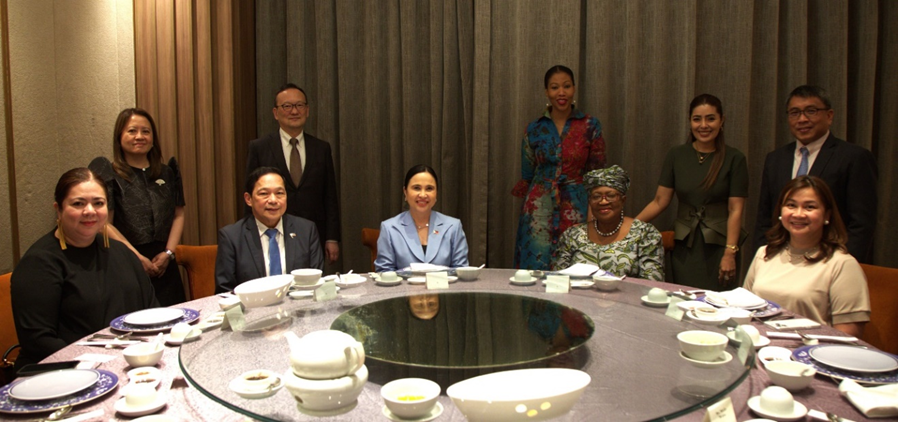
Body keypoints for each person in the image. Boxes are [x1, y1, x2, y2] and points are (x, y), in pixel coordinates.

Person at [11, 168, 158, 370]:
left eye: (98, 203)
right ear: (58, 209)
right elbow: (38, 341)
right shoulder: (38, 263)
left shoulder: (122, 252)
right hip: (64, 370)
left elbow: (151, 310)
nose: (90, 211)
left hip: (129, 362)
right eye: (78, 204)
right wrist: (98, 363)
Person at [636, 94, 748, 289]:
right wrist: (629, 229)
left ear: (722, 120)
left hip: (719, 247)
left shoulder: (735, 158)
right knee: (681, 298)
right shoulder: (676, 155)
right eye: (697, 119)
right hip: (684, 246)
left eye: (710, 119)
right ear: (689, 121)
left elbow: (735, 210)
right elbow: (660, 201)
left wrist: (730, 252)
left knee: (716, 302)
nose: (703, 125)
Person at [754, 85, 877, 264]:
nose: (802, 119)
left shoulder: (854, 157)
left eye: (811, 111)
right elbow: (765, 218)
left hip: (830, 261)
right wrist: (765, 259)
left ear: (829, 115)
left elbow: (862, 224)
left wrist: (843, 264)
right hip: (781, 261)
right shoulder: (776, 159)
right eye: (794, 113)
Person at [744, 176, 869, 336]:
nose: (798, 214)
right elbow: (743, 308)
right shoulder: (765, 253)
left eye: (809, 207)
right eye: (791, 205)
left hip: (811, 349)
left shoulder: (842, 264)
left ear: (827, 215)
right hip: (757, 344)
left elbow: (848, 337)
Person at [512, 65, 606, 271]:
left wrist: (593, 210)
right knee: (535, 266)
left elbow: (597, 174)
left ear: (574, 89)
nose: (561, 92)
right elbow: (527, 173)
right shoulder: (534, 128)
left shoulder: (590, 125)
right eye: (555, 87)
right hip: (538, 207)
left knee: (574, 263)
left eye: (566, 86)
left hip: (577, 205)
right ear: (547, 92)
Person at [89, 108, 186, 306]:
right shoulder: (110, 174)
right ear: (119, 137)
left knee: (175, 317)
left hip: (164, 263)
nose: (139, 136)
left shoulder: (166, 172)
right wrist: (136, 257)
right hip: (126, 261)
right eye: (132, 131)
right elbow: (104, 224)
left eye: (146, 131)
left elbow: (179, 214)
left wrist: (168, 253)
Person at [245, 83, 341, 264]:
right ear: (275, 113)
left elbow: (330, 196)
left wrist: (332, 237)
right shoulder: (260, 147)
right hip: (272, 232)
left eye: (299, 105)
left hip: (313, 234)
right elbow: (251, 192)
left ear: (307, 110)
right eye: (287, 106)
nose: (294, 111)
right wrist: (249, 235)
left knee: (313, 279)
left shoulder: (321, 148)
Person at [215, 167, 324, 293]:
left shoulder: (306, 230)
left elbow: (317, 281)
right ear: (248, 199)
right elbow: (225, 291)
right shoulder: (231, 237)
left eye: (279, 193)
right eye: (264, 194)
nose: (273, 200)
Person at [554, 166, 664, 280]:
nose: (603, 202)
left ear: (623, 200)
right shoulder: (572, 235)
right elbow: (557, 280)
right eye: (596, 197)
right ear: (590, 202)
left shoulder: (645, 234)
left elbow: (653, 282)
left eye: (610, 196)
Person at [374, 165, 469, 272]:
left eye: (429, 188)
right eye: (416, 188)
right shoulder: (389, 228)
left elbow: (462, 272)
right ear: (405, 192)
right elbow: (384, 273)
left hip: (445, 284)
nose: (423, 195)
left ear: (436, 193)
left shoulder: (453, 227)